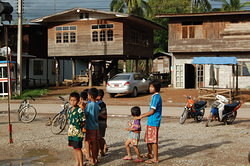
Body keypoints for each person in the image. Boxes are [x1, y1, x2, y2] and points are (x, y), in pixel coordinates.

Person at [136, 80, 162, 164]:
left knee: (153, 140)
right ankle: (150, 154)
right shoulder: (154, 96)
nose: (150, 88)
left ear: (156, 88)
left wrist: (142, 116)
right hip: (151, 121)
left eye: (151, 87)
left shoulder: (156, 97)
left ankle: (155, 158)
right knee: (148, 139)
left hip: (154, 121)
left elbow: (152, 111)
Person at [67, 92, 86, 166]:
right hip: (71, 132)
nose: (72, 102)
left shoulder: (79, 110)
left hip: (77, 132)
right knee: (74, 148)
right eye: (71, 100)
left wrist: (80, 128)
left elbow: (83, 121)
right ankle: (77, 162)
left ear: (78, 101)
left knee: (78, 148)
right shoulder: (69, 110)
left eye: (74, 100)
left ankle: (81, 163)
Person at [84, 88, 100, 165]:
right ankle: (95, 158)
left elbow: (85, 114)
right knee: (95, 143)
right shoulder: (97, 105)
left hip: (90, 127)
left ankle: (91, 158)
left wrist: (82, 108)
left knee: (88, 142)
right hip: (96, 126)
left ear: (90, 96)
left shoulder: (89, 105)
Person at [96, 89, 108, 157]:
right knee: (99, 137)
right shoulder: (96, 103)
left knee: (100, 137)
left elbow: (104, 115)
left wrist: (97, 113)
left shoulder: (102, 104)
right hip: (98, 123)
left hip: (101, 123)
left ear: (99, 96)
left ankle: (102, 150)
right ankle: (102, 149)